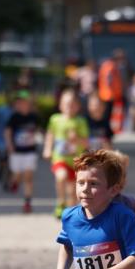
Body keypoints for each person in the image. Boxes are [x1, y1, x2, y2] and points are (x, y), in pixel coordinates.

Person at [43, 88, 90, 218]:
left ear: (78, 107)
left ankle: (69, 213)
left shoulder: (80, 121)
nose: (69, 107)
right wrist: (47, 148)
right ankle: (60, 202)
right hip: (60, 158)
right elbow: (50, 135)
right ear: (60, 105)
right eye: (66, 104)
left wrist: (77, 139)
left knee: (72, 191)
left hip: (76, 161)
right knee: (61, 176)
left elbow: (86, 143)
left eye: (72, 104)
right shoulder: (55, 119)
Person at [5, 91, 41, 212]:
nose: (22, 104)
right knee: (17, 175)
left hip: (30, 151)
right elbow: (8, 131)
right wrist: (9, 145)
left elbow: (39, 129)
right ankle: (14, 182)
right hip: (17, 151)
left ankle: (27, 202)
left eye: (24, 102)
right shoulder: (14, 117)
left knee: (28, 177)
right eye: (19, 102)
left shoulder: (34, 116)